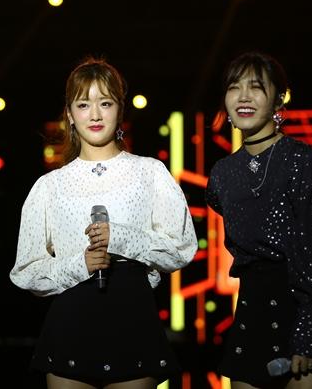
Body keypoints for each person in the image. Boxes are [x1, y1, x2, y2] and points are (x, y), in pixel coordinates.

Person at [10, 57, 198, 389]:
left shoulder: (150, 172)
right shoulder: (49, 186)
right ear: (70, 114)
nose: (95, 114)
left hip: (132, 315)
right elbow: (26, 270)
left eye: (105, 103)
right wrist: (78, 265)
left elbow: (181, 247)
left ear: (119, 110)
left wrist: (120, 238)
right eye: (83, 104)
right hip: (70, 321)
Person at [206, 52, 312, 389]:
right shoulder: (222, 175)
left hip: (301, 308)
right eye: (234, 87)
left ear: (279, 99)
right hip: (251, 312)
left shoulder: (305, 162)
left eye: (256, 87)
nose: (243, 97)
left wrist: (307, 333)